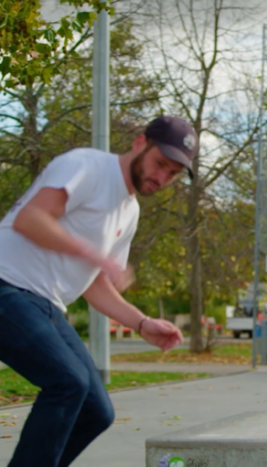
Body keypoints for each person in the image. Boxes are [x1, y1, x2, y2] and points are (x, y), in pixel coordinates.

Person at [0, 116, 195, 466]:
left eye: (172, 175)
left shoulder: (129, 211)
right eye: (159, 164)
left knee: (96, 410)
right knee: (68, 383)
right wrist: (93, 255)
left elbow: (95, 282)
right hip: (6, 286)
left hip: (43, 303)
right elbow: (31, 219)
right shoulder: (86, 166)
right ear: (140, 143)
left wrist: (142, 322)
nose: (161, 178)